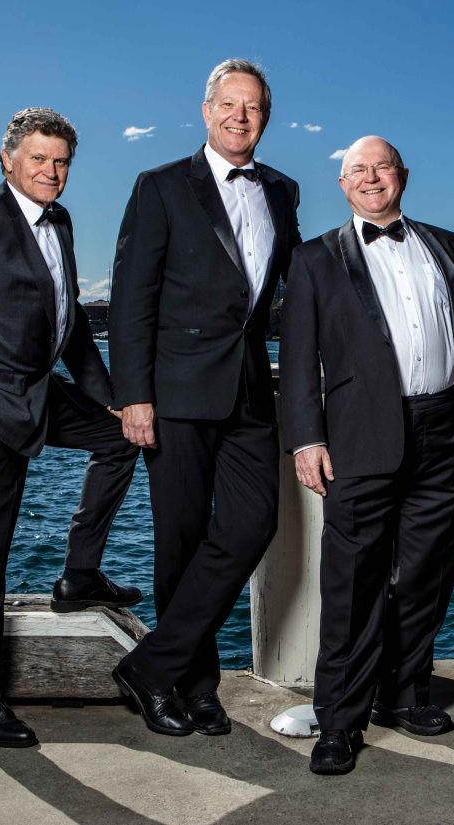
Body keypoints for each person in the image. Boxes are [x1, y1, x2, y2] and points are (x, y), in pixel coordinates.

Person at [0, 108, 143, 748]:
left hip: (41, 391)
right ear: (8, 160)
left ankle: (79, 575)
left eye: (61, 161)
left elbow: (70, 330)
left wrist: (112, 403)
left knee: (123, 438)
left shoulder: (60, 222)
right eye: (39, 159)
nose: (52, 172)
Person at [280, 136, 454, 775]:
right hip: (357, 438)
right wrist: (306, 438)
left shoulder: (450, 245)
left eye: (381, 167)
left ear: (402, 175)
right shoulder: (315, 259)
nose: (371, 178)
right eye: (358, 171)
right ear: (344, 185)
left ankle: (403, 694)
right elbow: (297, 361)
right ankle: (340, 720)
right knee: (352, 584)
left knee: (427, 574)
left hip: (449, 432)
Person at [108, 59, 301, 736]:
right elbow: (133, 297)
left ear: (265, 117)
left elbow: (299, 286)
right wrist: (133, 394)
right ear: (206, 109)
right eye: (228, 104)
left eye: (252, 107)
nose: (239, 116)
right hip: (176, 390)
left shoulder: (283, 190)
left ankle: (151, 665)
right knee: (181, 543)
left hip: (249, 389)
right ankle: (197, 688)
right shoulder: (159, 186)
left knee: (253, 523)